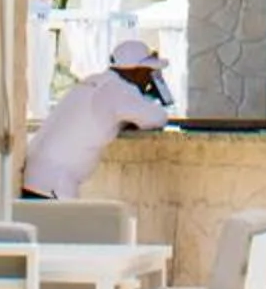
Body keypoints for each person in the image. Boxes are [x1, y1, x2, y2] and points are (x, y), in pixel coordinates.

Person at [18, 38, 171, 199]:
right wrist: (151, 96)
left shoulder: (94, 81)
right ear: (137, 70)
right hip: (55, 183)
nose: (148, 81)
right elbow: (158, 117)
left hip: (35, 176)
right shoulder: (119, 89)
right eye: (148, 74)